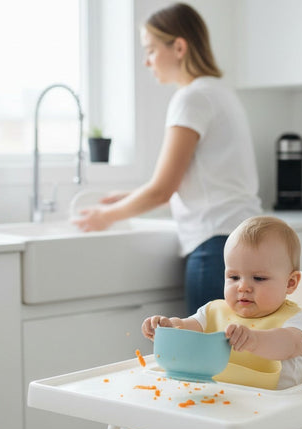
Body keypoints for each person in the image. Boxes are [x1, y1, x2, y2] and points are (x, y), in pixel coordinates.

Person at [85, 216, 302, 429]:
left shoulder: (296, 321)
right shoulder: (214, 312)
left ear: (290, 283)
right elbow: (186, 328)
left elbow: (289, 345)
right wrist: (166, 327)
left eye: (259, 278)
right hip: (202, 423)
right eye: (233, 276)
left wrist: (256, 340)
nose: (243, 286)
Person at [74, 2, 262, 316]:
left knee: (206, 357)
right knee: (240, 354)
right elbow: (200, 185)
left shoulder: (191, 98)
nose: (147, 62)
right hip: (247, 241)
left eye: (150, 50)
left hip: (214, 248)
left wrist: (105, 217)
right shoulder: (221, 93)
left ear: (178, 47)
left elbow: (163, 188)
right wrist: (130, 197)